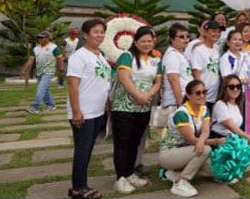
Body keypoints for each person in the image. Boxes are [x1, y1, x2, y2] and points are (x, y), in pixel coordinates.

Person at [110, 26, 163, 193]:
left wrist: (147, 96)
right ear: (135, 42)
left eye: (150, 41)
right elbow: (124, 78)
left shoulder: (156, 60)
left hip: (143, 108)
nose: (147, 44)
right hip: (123, 107)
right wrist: (139, 95)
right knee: (122, 143)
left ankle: (130, 173)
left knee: (135, 141)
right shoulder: (127, 56)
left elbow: (157, 82)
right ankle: (120, 178)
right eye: (143, 41)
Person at [67, 19, 111, 199]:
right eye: (95, 31)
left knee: (88, 148)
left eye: (102, 31)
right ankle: (78, 188)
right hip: (83, 112)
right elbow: (72, 84)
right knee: (82, 148)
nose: (99, 35)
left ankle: (81, 183)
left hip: (98, 111)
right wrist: (76, 111)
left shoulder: (100, 55)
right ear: (85, 34)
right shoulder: (79, 56)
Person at [158, 80, 223, 197]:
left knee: (214, 170)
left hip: (187, 150)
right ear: (188, 95)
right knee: (206, 150)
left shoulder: (204, 109)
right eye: (197, 93)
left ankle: (170, 173)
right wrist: (216, 142)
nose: (202, 95)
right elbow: (191, 139)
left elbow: (205, 131)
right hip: (169, 154)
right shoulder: (181, 114)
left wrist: (208, 141)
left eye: (204, 92)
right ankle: (180, 182)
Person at [22, 31, 63, 114]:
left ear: (48, 38)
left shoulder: (54, 47)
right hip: (39, 72)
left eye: (41, 37)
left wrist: (61, 68)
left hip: (49, 72)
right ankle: (51, 105)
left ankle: (34, 107)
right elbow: (30, 60)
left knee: (41, 88)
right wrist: (24, 69)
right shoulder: (35, 49)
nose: (39, 39)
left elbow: (59, 59)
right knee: (45, 89)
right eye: (38, 37)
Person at [161, 23, 192, 122]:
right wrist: (180, 104)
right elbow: (173, 80)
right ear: (172, 39)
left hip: (184, 101)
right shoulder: (172, 56)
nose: (186, 39)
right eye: (182, 37)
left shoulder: (181, 54)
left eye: (188, 36)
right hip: (174, 104)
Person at [190, 20, 222, 113]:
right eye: (213, 31)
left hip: (214, 96)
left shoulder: (216, 49)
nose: (216, 34)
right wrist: (201, 95)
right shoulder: (198, 50)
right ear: (205, 32)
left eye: (218, 32)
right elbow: (196, 74)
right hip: (203, 97)